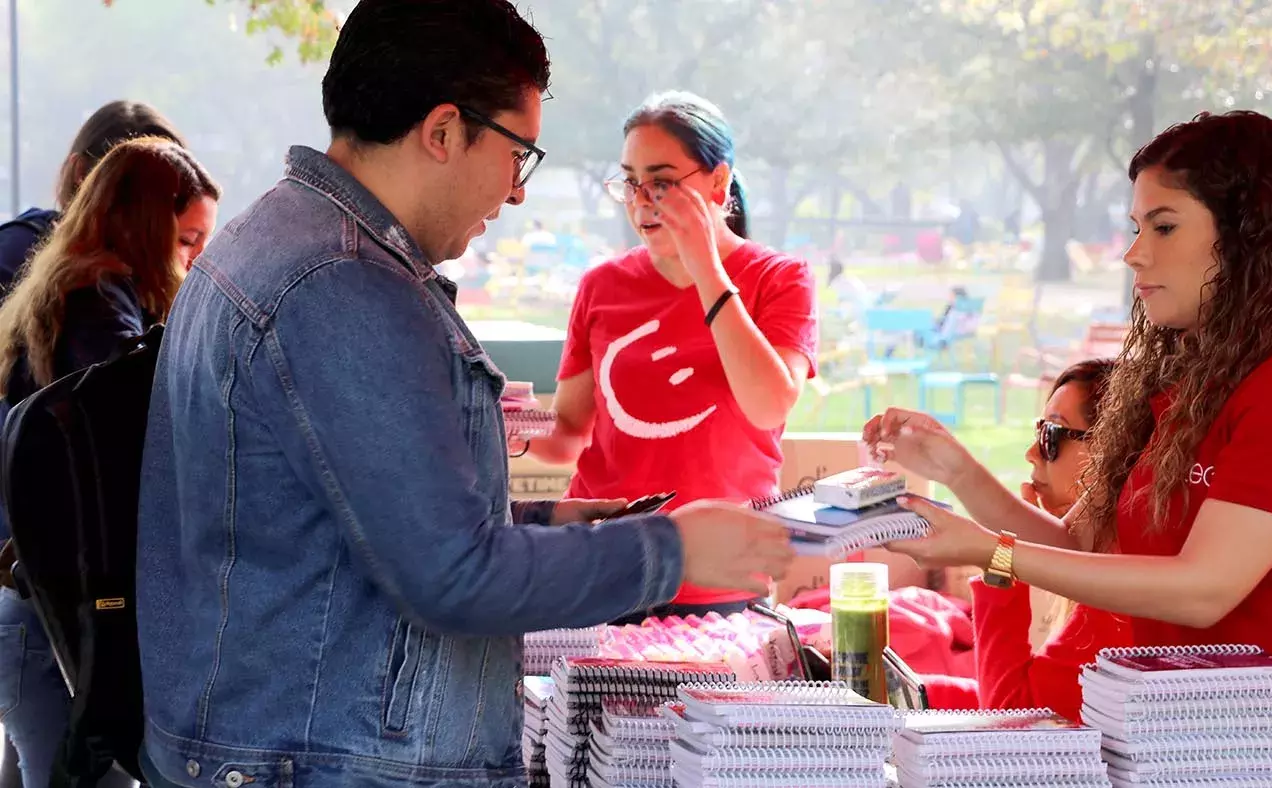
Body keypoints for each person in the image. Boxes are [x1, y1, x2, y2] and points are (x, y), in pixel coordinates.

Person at [135, 4, 793, 788]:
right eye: (518, 156)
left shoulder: (280, 241)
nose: (516, 194)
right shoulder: (342, 286)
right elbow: (453, 576)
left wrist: (551, 522)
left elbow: (371, 524)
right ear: (444, 131)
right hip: (323, 758)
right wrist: (676, 550)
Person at [866, 111, 1272, 782]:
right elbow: (1082, 549)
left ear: (1249, 237)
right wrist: (957, 471)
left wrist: (988, 554)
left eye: (1163, 227)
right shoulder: (1190, 383)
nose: (1135, 253)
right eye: (1137, 229)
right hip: (1193, 740)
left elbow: (1204, 589)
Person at [529, 91, 817, 623]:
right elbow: (570, 433)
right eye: (631, 182)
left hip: (721, 574)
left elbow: (769, 404)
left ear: (718, 182)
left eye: (662, 181)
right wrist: (512, 424)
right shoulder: (603, 285)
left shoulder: (778, 279)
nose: (643, 200)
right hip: (607, 560)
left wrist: (705, 268)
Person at [0, 136, 219, 788]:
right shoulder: (98, 308)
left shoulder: (61, 292)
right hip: (62, 630)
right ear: (145, 228)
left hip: (33, 609)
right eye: (186, 240)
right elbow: (137, 432)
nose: (196, 259)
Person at [970, 359, 1131, 722]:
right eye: (1038, 430)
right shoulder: (1119, 557)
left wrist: (1000, 565)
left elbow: (1012, 716)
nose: (1031, 452)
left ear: (1112, 451)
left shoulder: (1118, 597)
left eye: (1052, 435)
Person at [0, 101, 187, 293]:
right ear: (81, 172)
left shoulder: (178, 267)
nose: (149, 212)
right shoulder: (18, 249)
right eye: (129, 191)